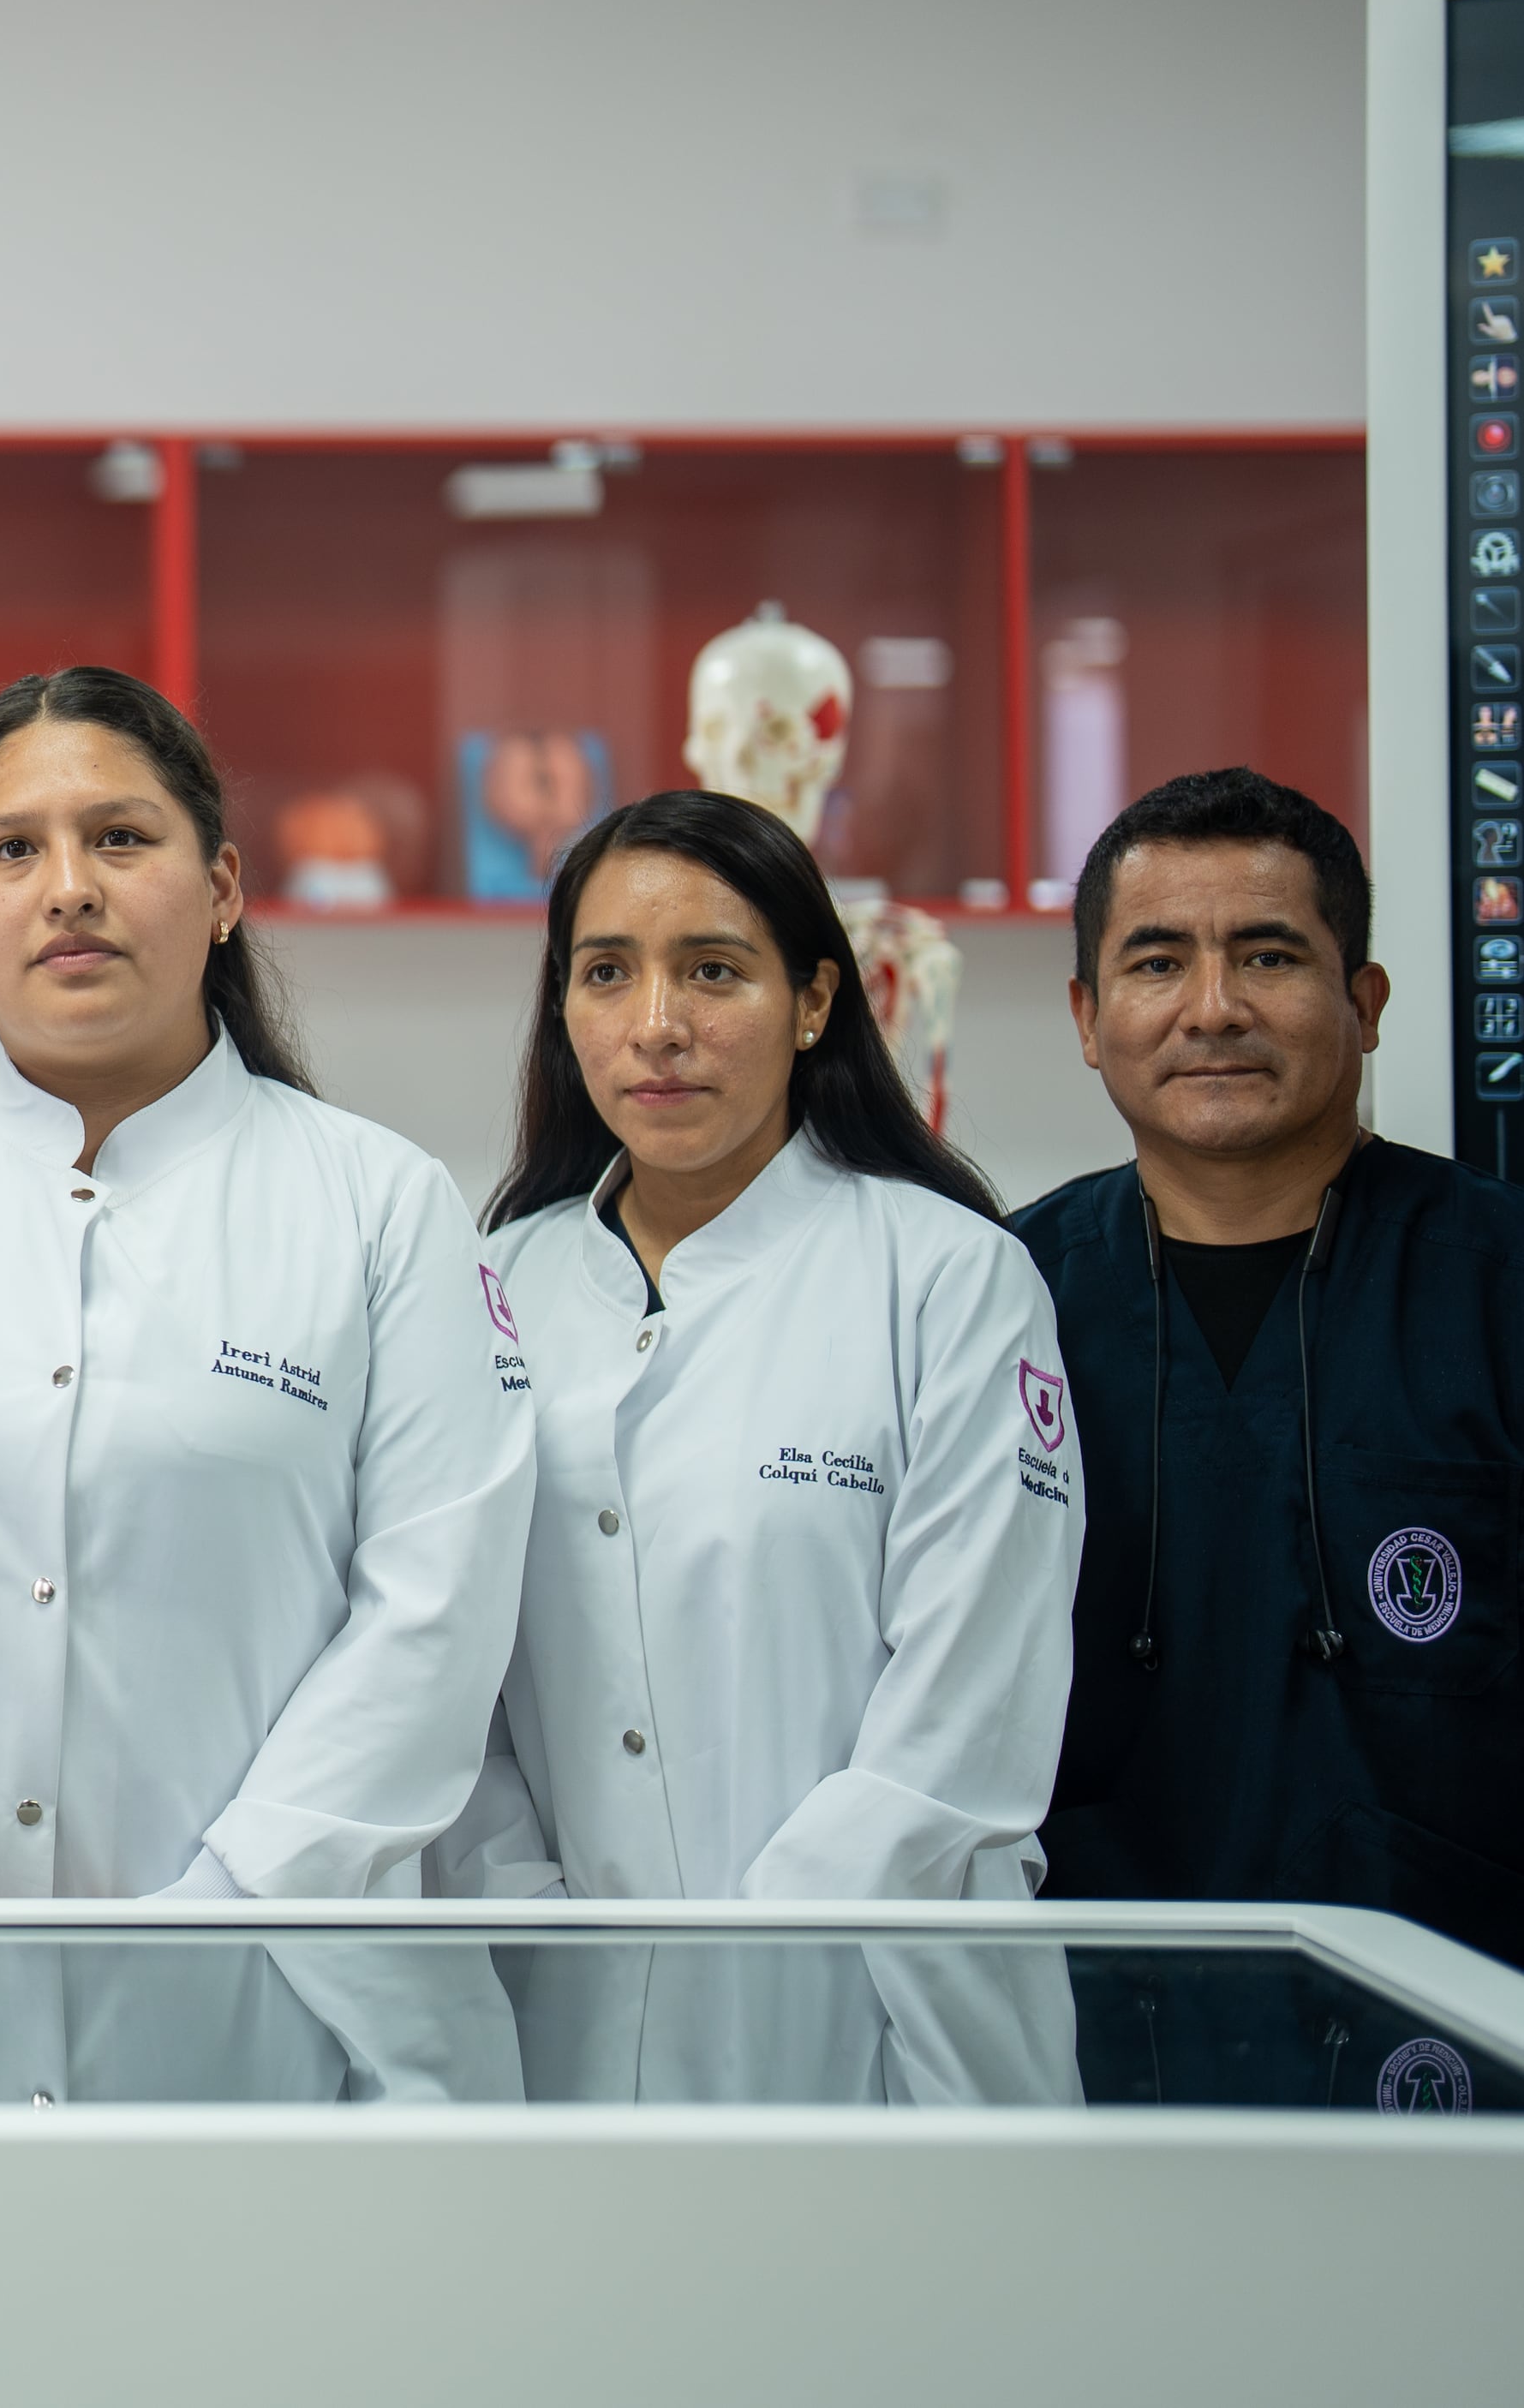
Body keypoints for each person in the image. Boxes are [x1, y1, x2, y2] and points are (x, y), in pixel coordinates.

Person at [0, 666, 532, 2104]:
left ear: (221, 890)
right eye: (11, 850)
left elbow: (436, 1608)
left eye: (121, 838)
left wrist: (237, 1893)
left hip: (273, 1997)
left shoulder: (377, 1204)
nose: (69, 888)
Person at [438, 790, 1083, 2103]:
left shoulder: (950, 1281)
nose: (656, 1025)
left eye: (713, 971)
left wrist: (725, 1966)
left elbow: (968, 1717)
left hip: (883, 2032)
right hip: (562, 2022)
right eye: (606, 973)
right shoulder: (489, 1289)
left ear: (813, 1001)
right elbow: (441, 1677)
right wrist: (542, 1918)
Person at [1016, 768, 1524, 1967]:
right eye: (1156, 962)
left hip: (1455, 2015)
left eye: (1268, 956)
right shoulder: (994, 1303)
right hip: (1069, 2017)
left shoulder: (1497, 1284)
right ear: (1086, 1017)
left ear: (1364, 1002)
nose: (1212, 1009)